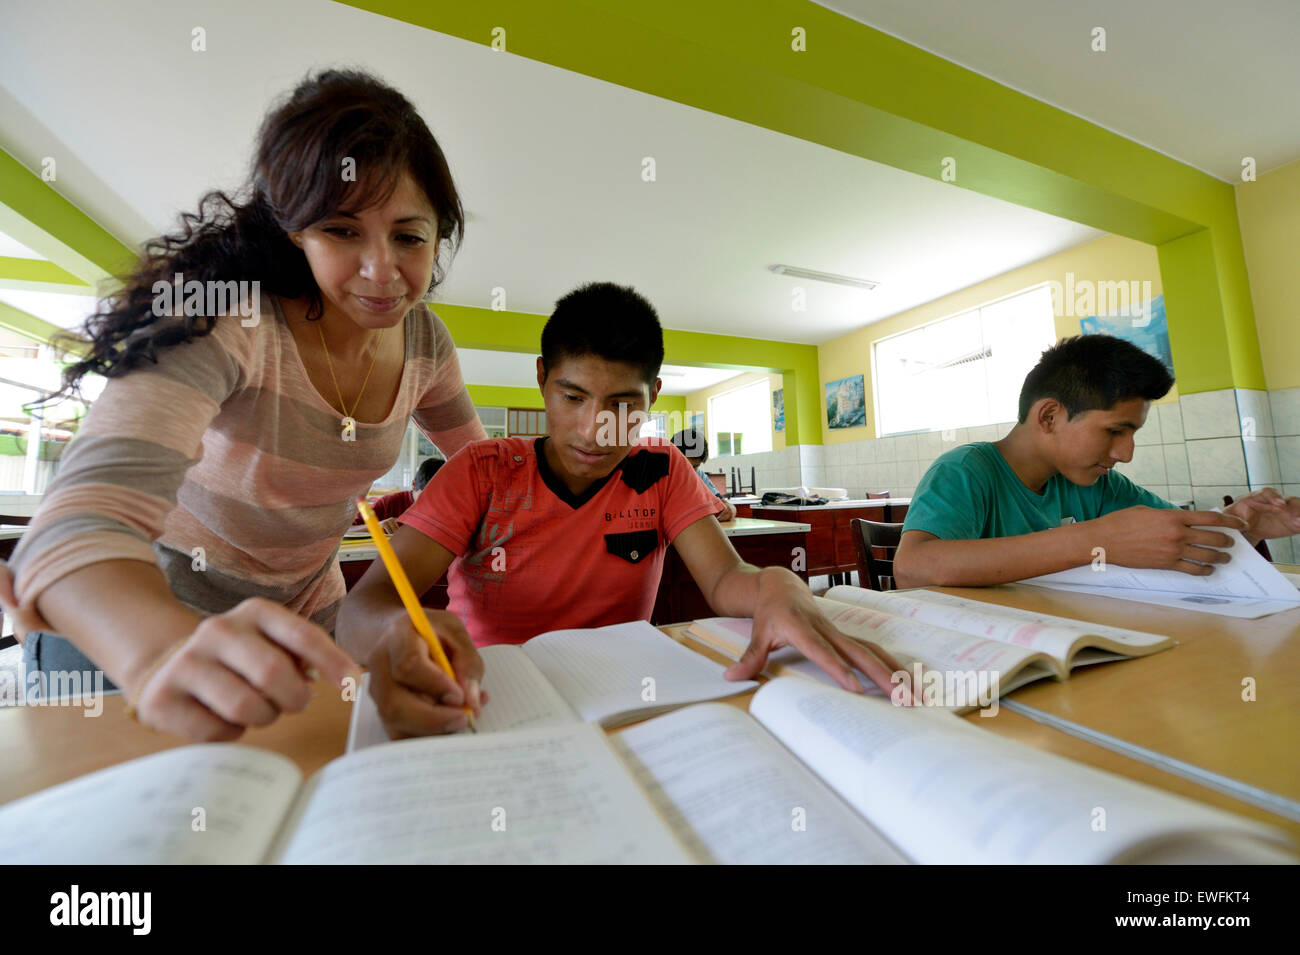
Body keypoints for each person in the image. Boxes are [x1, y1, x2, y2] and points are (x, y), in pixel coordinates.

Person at [0, 69, 489, 741]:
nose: (382, 270)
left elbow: (489, 473)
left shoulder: (426, 343)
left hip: (303, 627)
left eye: (409, 236)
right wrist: (160, 651)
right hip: (133, 626)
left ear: (439, 237)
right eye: (343, 231)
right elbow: (75, 523)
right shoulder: (228, 321)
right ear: (294, 231)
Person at [335, 282, 909, 738]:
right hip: (491, 702)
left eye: (622, 404)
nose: (594, 430)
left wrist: (774, 586)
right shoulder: (481, 471)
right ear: (541, 379)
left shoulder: (659, 470)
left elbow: (727, 577)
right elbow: (366, 607)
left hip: (633, 702)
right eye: (572, 397)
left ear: (653, 396)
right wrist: (395, 633)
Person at [893, 335, 1300, 588]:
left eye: (1132, 435)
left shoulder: (1096, 483)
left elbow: (1177, 537)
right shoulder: (966, 471)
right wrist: (1094, 541)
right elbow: (914, 568)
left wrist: (1242, 523)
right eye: (1114, 431)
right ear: (1049, 416)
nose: (1125, 453)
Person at [354, 457, 445, 533]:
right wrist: (375, 526)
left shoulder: (447, 507)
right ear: (413, 485)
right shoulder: (388, 503)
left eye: (438, 500)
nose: (430, 505)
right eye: (425, 498)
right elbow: (347, 530)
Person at [670, 429, 737, 522]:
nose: (690, 472)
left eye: (695, 466)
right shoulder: (660, 478)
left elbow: (724, 503)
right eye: (685, 466)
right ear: (671, 457)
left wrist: (730, 510)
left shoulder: (699, 475)